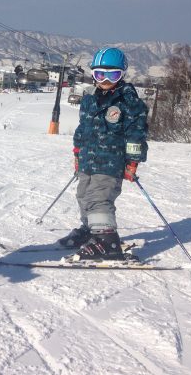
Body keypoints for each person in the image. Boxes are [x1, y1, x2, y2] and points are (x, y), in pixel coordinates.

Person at [58, 47, 149, 260]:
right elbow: (83, 127)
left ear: (122, 75)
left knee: (99, 198)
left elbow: (136, 134)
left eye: (113, 75)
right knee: (84, 195)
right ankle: (91, 230)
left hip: (112, 162)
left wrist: (133, 162)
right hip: (88, 159)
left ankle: (106, 241)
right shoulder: (89, 98)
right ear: (93, 75)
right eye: (100, 74)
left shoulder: (129, 101)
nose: (105, 80)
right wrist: (77, 152)